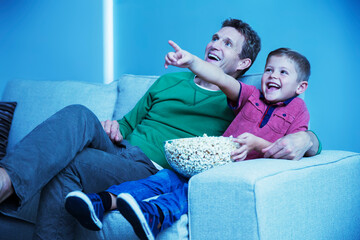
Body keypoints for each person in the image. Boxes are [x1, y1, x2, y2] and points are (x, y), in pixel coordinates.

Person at [0, 18, 318, 239]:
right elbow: (125, 127)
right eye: (215, 37)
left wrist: (306, 137)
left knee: (70, 165)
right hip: (119, 151)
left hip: (148, 166)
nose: (215, 44)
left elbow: (287, 124)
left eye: (227, 43)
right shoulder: (168, 80)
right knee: (79, 114)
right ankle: (5, 180)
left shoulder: (240, 97)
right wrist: (113, 127)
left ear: (244, 64)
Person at [65, 43, 315, 240]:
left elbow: (294, 148)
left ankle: (156, 215)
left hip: (233, 174)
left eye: (283, 72)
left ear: (301, 86)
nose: (272, 75)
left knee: (186, 192)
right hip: (209, 162)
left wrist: (259, 144)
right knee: (162, 179)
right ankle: (101, 202)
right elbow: (221, 79)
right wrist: (192, 61)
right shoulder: (251, 96)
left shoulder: (299, 112)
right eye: (269, 69)